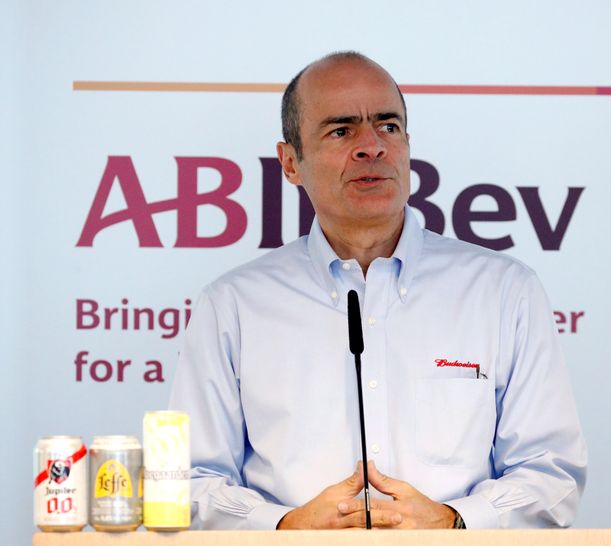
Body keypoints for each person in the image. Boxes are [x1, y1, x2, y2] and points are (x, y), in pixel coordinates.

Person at [169, 51, 587, 530]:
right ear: (290, 162)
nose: (372, 147)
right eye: (342, 130)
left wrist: (454, 522)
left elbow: (552, 473)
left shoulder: (504, 291)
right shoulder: (232, 306)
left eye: (388, 126)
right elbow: (188, 481)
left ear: (408, 144)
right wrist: (285, 527)